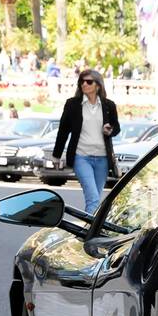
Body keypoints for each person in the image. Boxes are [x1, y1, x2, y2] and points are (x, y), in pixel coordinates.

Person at [51, 68, 120, 215]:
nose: (84, 84)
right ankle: (90, 234)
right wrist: (56, 155)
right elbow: (63, 131)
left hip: (102, 159)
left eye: (89, 81)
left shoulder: (109, 106)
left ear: (98, 85)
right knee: (93, 198)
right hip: (81, 157)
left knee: (96, 197)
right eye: (81, 82)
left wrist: (110, 130)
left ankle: (90, 228)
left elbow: (117, 128)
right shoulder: (72, 105)